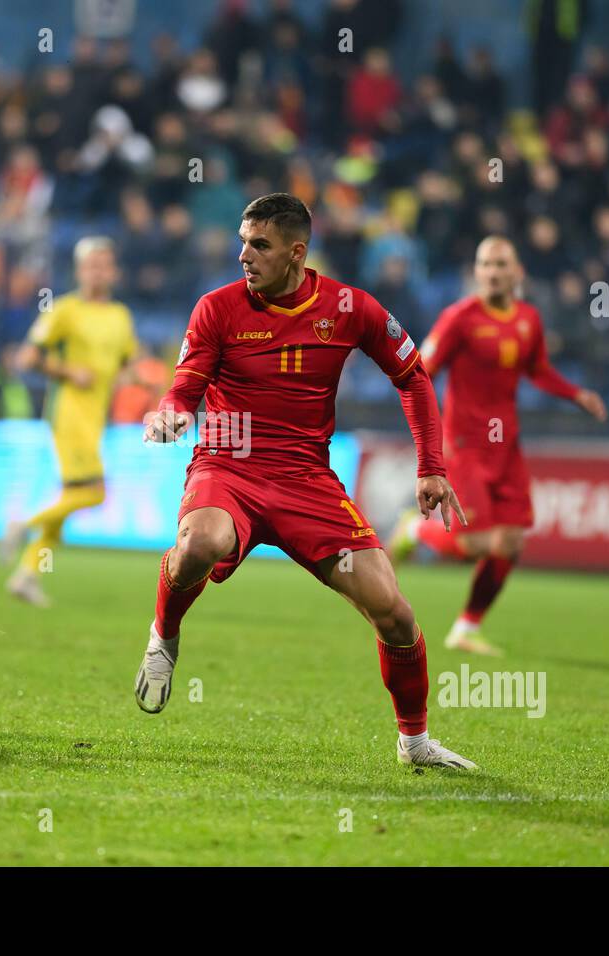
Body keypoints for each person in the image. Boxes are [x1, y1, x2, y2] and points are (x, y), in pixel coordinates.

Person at [134, 193, 476, 770]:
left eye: (259, 245)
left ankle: (414, 743)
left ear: (296, 252)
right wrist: (170, 413)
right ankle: (164, 634)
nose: (244, 254)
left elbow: (414, 379)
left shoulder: (351, 308)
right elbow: (184, 388)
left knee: (393, 610)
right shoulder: (216, 308)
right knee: (200, 543)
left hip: (306, 481)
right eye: (242, 241)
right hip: (228, 464)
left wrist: (432, 468)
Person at [391, 237, 606, 656]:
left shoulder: (529, 319)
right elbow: (421, 372)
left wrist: (574, 394)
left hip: (506, 446)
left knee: (510, 543)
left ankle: (466, 628)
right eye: (484, 264)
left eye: (499, 264)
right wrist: (430, 435)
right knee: (473, 545)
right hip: (465, 444)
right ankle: (414, 528)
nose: (490, 271)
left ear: (517, 272)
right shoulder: (459, 318)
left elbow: (538, 370)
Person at [0, 237, 138, 606]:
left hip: (96, 419)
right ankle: (22, 524)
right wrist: (67, 370)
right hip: (68, 414)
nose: (98, 271)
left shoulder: (120, 316)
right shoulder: (64, 310)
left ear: (114, 270)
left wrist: (145, 379)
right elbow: (26, 357)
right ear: (80, 271)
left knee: (71, 498)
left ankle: (28, 575)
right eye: (91, 264)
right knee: (94, 492)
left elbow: (125, 365)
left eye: (104, 264)